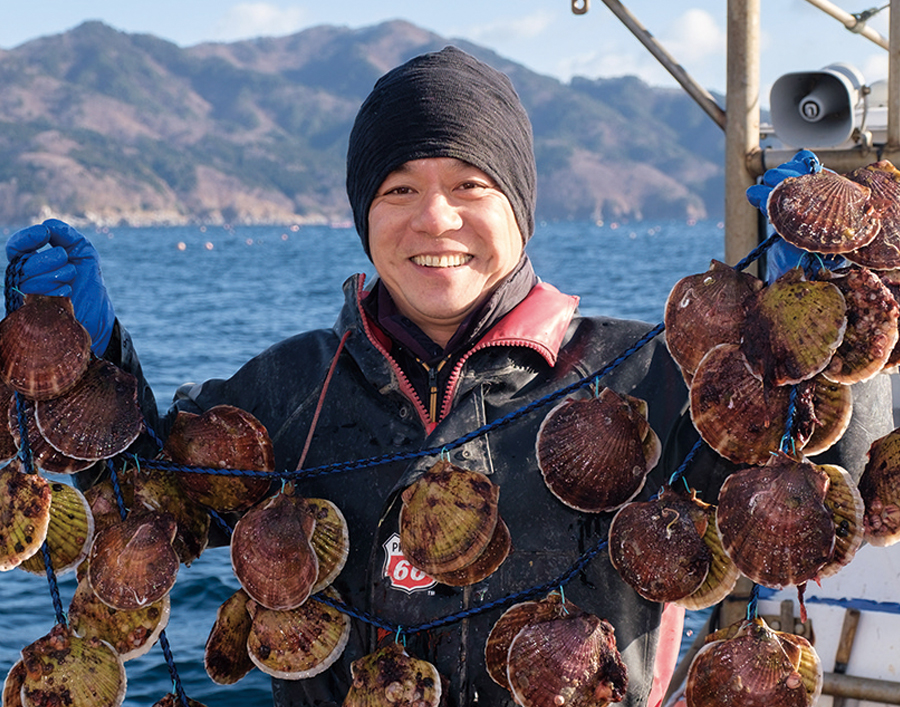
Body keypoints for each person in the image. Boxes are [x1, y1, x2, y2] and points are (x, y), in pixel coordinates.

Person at [5, 47, 893, 707]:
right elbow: (143, 505)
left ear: (519, 202)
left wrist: (831, 327)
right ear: (363, 213)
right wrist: (89, 358)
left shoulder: (659, 371)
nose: (435, 218)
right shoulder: (289, 385)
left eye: (471, 183)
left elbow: (829, 498)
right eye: (397, 189)